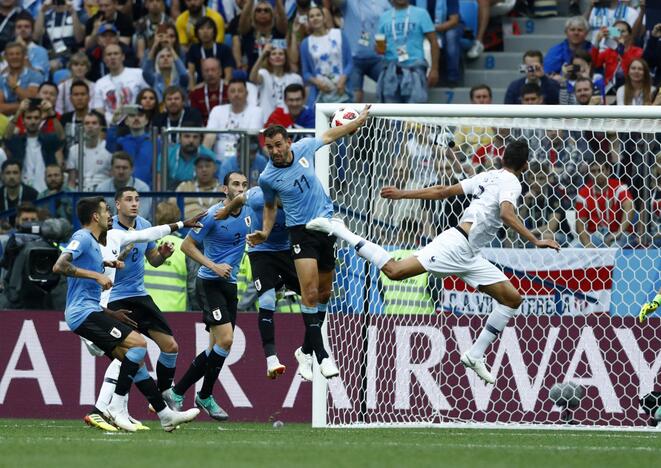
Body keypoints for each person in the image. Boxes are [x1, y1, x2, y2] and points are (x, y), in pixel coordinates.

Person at [306, 139, 561, 384]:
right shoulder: (513, 183)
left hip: (470, 255)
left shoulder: (487, 176)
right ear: (525, 166)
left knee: (511, 299)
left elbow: (442, 191)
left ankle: (474, 354)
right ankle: (340, 229)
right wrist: (535, 240)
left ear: (502, 158)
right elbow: (506, 212)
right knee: (394, 271)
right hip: (455, 246)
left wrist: (403, 194)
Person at [52, 196, 200, 432]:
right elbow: (59, 266)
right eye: (105, 210)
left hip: (94, 310)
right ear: (95, 216)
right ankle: (114, 408)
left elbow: (147, 235)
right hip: (82, 313)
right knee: (138, 345)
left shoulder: (101, 241)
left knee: (133, 360)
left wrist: (181, 224)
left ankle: (164, 415)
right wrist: (98, 276)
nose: (109, 214)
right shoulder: (81, 237)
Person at [248, 114, 372, 380]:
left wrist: (357, 122)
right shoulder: (267, 178)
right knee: (310, 293)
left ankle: (304, 351)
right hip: (300, 232)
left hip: (326, 228)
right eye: (269, 147)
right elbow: (270, 206)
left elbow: (331, 135)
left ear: (289, 142)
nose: (275, 151)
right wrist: (266, 232)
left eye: (279, 145)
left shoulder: (305, 147)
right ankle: (322, 356)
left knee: (325, 294)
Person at [168, 172, 250, 420]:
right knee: (225, 340)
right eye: (236, 184)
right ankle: (202, 394)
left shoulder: (250, 213)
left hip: (230, 284)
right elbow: (186, 246)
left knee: (217, 347)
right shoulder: (212, 215)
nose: (241, 189)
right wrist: (213, 265)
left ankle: (180, 391)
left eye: (245, 185)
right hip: (209, 282)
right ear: (224, 189)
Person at [214, 184, 300, 378]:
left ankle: (308, 351)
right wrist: (226, 210)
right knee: (267, 300)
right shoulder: (257, 196)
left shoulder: (297, 198)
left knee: (312, 296)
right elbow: (239, 199)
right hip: (260, 251)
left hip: (286, 251)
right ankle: (271, 359)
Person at [106, 187, 182, 398]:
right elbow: (102, 266)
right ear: (118, 205)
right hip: (114, 299)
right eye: (129, 199)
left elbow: (153, 260)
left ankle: (166, 393)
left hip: (139, 295)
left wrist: (163, 255)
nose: (134, 204)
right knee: (131, 357)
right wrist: (123, 251)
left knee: (171, 346)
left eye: (137, 200)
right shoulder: (108, 228)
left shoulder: (145, 226)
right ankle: (115, 406)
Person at [375, 0, 439, 103]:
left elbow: (433, 41)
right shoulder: (384, 17)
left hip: (415, 69)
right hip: (391, 70)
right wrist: (379, 47)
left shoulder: (421, 13)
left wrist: (434, 69)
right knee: (391, 113)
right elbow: (380, 48)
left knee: (414, 111)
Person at [4, 99, 65, 193]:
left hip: (46, 192)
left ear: (41, 120)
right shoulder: (18, 141)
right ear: (23, 121)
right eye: (29, 118)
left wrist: (51, 113)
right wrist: (19, 112)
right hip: (24, 192)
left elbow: (61, 137)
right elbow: (7, 137)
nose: (33, 121)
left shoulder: (47, 140)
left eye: (36, 118)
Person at [334, 0, 390, 103]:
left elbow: (388, 24)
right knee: (356, 96)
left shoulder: (384, 2)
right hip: (353, 58)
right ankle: (356, 119)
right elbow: (335, 2)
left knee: (389, 89)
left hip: (378, 57)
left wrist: (384, 47)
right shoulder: (349, 2)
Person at [298, 5, 353, 105]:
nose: (315, 18)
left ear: (324, 18)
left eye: (318, 15)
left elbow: (349, 63)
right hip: (321, 93)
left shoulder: (339, 34)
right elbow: (306, 73)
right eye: (312, 16)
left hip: (342, 90)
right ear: (309, 21)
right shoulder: (306, 43)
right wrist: (317, 82)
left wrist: (343, 80)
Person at [575, 160, 635, 248]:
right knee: (576, 248)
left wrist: (619, 232)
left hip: (620, 234)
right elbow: (580, 224)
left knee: (614, 249)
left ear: (608, 171)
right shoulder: (583, 193)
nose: (597, 174)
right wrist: (587, 245)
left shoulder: (619, 187)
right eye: (593, 171)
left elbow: (629, 207)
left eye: (600, 170)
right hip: (596, 235)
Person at [144, 202, 192, 312]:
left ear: (156, 218)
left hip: (145, 309)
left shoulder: (146, 243)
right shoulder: (184, 246)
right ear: (178, 219)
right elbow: (192, 286)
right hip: (175, 311)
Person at [203, 78, 263, 160]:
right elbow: (209, 138)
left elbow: (250, 139)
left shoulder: (256, 111)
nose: (236, 94)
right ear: (227, 94)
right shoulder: (217, 110)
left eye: (240, 91)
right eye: (232, 91)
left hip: (245, 161)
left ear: (247, 93)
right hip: (218, 162)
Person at [92, 43, 149, 124]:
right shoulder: (100, 83)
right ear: (104, 59)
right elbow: (98, 109)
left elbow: (148, 96)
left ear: (123, 57)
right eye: (109, 54)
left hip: (136, 123)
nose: (112, 57)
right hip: (112, 125)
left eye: (116, 53)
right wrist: (112, 121)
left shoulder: (138, 74)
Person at [249, 41, 303, 120]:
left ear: (285, 57)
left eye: (281, 54)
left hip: (289, 121)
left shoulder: (295, 78)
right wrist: (263, 55)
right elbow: (252, 78)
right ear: (269, 59)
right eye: (273, 54)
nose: (277, 56)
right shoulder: (264, 74)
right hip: (267, 121)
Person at [106, 107, 155, 186]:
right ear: (126, 121)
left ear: (146, 121)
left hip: (148, 190)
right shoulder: (121, 142)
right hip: (124, 188)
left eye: (140, 115)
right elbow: (110, 146)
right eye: (132, 115)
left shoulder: (156, 142)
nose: (136, 118)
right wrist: (114, 123)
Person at [96, 152, 152, 220]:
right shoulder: (101, 188)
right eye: (117, 167)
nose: (121, 171)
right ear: (111, 169)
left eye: (124, 168)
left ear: (132, 170)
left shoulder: (142, 188)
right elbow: (99, 216)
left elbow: (141, 217)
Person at [34, 0, 85, 73]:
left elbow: (79, 39)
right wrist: (42, 11)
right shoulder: (46, 17)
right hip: (51, 56)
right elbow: (36, 37)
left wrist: (73, 13)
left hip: (72, 56)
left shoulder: (79, 15)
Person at [66, 111, 112, 191]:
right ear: (82, 127)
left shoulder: (109, 149)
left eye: (94, 123)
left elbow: (113, 178)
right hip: (80, 193)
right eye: (87, 123)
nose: (90, 126)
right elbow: (71, 182)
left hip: (103, 193)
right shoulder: (74, 150)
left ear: (100, 127)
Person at [186, 16, 235, 88]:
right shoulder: (193, 49)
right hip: (200, 87)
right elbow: (191, 74)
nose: (205, 31)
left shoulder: (224, 49)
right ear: (197, 32)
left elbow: (228, 75)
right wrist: (193, 90)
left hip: (221, 87)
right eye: (201, 28)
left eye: (209, 28)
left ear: (214, 31)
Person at [172, 153, 223, 218]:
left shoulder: (223, 189)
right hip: (188, 227)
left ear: (215, 168)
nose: (204, 169)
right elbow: (171, 207)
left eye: (207, 166)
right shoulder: (184, 187)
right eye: (200, 167)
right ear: (195, 169)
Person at [0, 42, 43, 116]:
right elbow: (1, 108)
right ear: (6, 57)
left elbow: (32, 101)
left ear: (24, 56)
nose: (14, 57)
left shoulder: (35, 75)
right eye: (11, 54)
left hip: (29, 118)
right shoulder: (1, 78)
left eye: (18, 54)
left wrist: (15, 87)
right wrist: (22, 105)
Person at [189, 58, 228, 125]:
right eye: (206, 71)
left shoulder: (229, 89)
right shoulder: (195, 93)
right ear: (202, 73)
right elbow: (195, 118)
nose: (210, 73)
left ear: (220, 71)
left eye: (213, 70)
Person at [13, 11, 49, 80]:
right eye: (19, 27)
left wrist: (24, 52)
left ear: (32, 30)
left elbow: (38, 77)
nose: (23, 29)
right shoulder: (5, 52)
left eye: (26, 27)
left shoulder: (41, 52)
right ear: (14, 31)